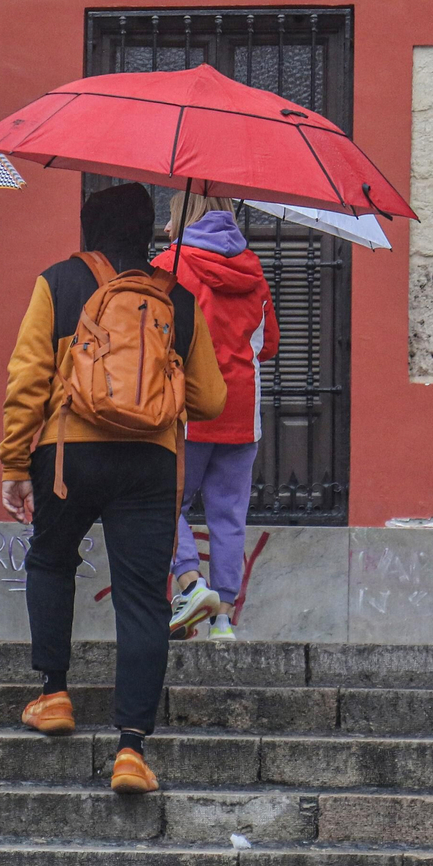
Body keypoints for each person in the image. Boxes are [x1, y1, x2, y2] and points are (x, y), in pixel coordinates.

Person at [0, 182, 226, 794]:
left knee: (50, 559)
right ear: (148, 234)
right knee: (143, 598)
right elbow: (211, 399)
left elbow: (27, 380)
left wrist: (15, 465)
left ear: (87, 230)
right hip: (149, 463)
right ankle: (130, 751)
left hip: (69, 454)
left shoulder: (58, 282)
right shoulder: (175, 297)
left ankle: (53, 696)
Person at [154, 195, 276, 641]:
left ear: (181, 216)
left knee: (165, 500)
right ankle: (223, 618)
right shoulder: (253, 268)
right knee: (229, 515)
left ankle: (190, 585)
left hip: (188, 407)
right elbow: (267, 344)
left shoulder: (171, 264)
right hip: (243, 411)